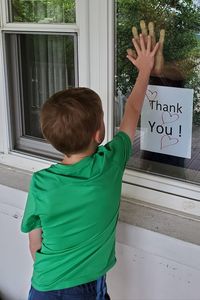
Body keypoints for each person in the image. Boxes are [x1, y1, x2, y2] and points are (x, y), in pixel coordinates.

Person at [21, 26, 159, 300]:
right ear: (99, 133)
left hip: (43, 285)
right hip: (83, 289)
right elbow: (132, 110)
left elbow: (34, 243)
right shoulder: (108, 164)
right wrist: (145, 70)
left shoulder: (41, 183)